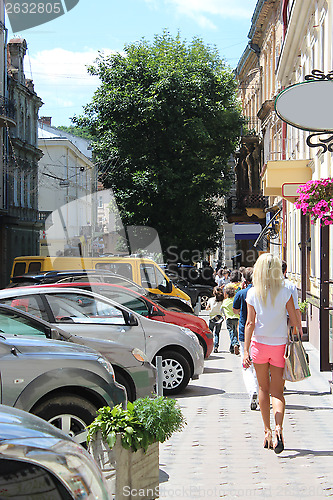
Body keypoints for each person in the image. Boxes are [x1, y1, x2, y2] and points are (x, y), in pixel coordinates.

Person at [243, 253, 302, 454]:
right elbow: (294, 321)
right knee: (278, 392)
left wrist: (245, 350)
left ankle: (267, 431)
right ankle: (279, 428)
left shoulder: (252, 292)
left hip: (259, 345)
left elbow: (250, 323)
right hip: (279, 347)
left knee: (263, 389)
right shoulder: (285, 290)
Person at [233, 267, 259, 410]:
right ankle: (260, 392)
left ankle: (253, 391)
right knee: (258, 366)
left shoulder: (241, 293)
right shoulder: (261, 292)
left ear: (245, 280)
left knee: (246, 366)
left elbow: (235, 310)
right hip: (260, 333)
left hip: (244, 333)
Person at [282, 260, 302, 327]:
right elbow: (296, 308)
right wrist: (299, 326)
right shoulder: (290, 286)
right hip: (288, 320)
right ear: (285, 271)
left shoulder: (268, 285)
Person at [222, 284, 240, 355]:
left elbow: (222, 309)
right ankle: (232, 347)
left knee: (231, 332)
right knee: (235, 332)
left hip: (229, 319)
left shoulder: (225, 301)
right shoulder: (235, 300)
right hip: (236, 318)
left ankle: (235, 343)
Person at [206, 286, 224, 353]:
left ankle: (209, 345)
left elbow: (207, 308)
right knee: (217, 333)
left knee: (210, 331)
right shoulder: (222, 300)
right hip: (219, 318)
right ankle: (216, 347)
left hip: (212, 318)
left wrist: (210, 309)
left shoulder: (211, 300)